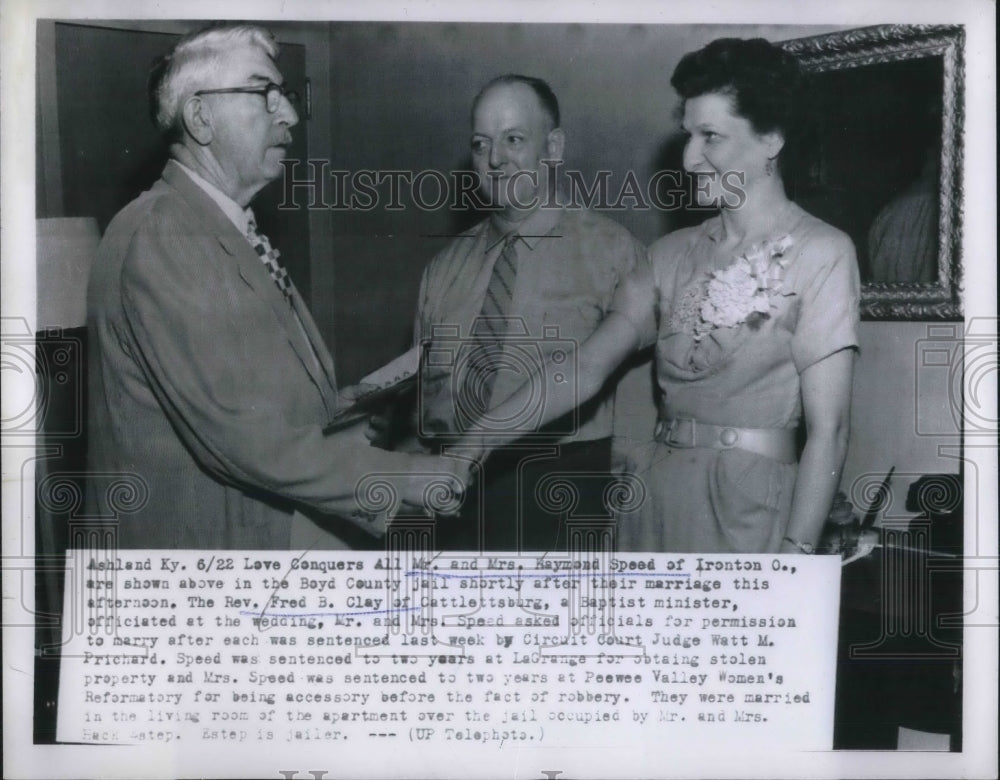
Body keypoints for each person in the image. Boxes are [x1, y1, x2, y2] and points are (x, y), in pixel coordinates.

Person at [459, 39, 860, 554]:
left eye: (710, 137)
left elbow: (832, 431)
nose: (690, 159)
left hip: (751, 514)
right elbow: (584, 367)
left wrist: (796, 559)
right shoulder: (668, 255)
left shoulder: (823, 253)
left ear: (772, 140)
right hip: (654, 502)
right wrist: (479, 439)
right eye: (688, 135)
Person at [86, 24, 462, 549]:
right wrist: (400, 476)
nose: (288, 113)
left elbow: (239, 388)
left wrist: (335, 409)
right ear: (200, 117)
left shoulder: (213, 224)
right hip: (204, 563)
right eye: (264, 93)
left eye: (283, 95)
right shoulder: (162, 235)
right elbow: (240, 439)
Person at [374, 74, 646, 551]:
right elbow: (421, 404)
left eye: (514, 140)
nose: (495, 159)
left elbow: (638, 419)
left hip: (561, 495)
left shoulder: (615, 253)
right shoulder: (444, 267)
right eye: (481, 145)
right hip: (448, 498)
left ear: (554, 146)